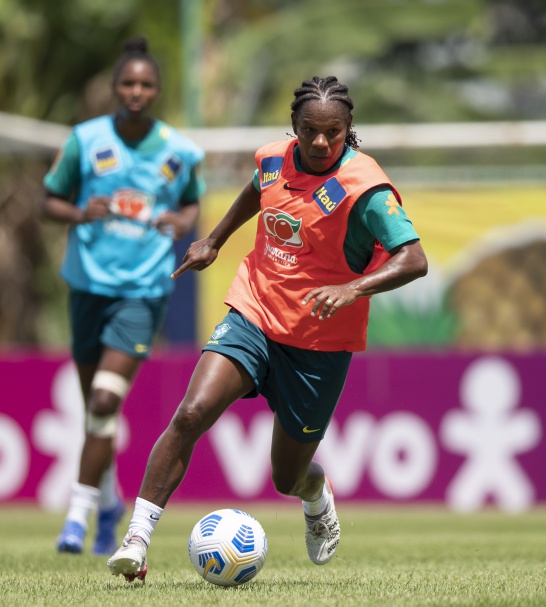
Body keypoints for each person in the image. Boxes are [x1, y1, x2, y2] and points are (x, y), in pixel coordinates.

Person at [106, 75, 428, 582]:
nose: (320, 142)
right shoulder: (273, 159)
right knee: (191, 413)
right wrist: (214, 240)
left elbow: (413, 259)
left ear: (348, 128)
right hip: (254, 312)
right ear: (293, 125)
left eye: (333, 132)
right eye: (309, 130)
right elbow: (257, 191)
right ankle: (136, 541)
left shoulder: (366, 188)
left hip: (319, 344)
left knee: (287, 477)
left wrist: (353, 288)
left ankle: (315, 494)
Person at [41, 36, 206, 556]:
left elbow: (191, 205)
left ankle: (76, 517)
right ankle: (109, 503)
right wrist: (79, 212)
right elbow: (49, 201)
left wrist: (180, 221)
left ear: (157, 90)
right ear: (115, 87)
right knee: (99, 413)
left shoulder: (179, 151)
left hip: (143, 291)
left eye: (146, 84)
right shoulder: (85, 140)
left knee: (105, 399)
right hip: (88, 287)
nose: (137, 91)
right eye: (128, 83)